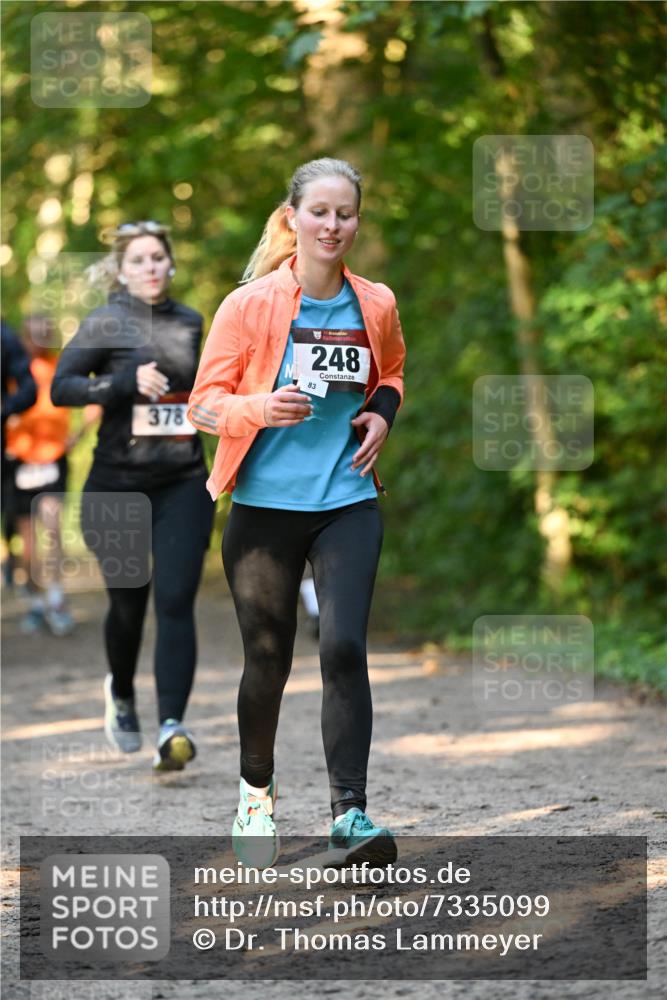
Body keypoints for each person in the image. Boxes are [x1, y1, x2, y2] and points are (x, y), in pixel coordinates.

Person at [188, 158, 406, 867]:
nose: (332, 225)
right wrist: (260, 408)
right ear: (292, 218)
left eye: (345, 214)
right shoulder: (247, 305)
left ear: (356, 223)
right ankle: (256, 794)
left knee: (343, 647)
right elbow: (202, 404)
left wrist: (380, 414)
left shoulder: (373, 303)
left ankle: (350, 814)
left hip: (346, 499)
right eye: (319, 212)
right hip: (263, 507)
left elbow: (391, 374)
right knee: (268, 660)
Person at [51, 220, 214, 771]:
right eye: (138, 260)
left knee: (174, 598)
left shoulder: (192, 322)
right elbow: (62, 386)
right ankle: (120, 691)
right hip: (116, 487)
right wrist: (122, 384)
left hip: (183, 481)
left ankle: (172, 726)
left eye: (157, 258)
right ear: (122, 271)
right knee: (130, 600)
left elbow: (206, 390)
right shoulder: (106, 321)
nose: (150, 267)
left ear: (171, 264)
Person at [4, 314, 82, 636]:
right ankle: (35, 601)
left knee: (52, 529)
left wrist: (76, 435)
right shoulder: (15, 366)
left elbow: (89, 401)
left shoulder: (61, 365)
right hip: (20, 458)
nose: (41, 337)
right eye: (35, 332)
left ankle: (56, 598)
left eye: (46, 331)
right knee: (29, 539)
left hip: (53, 458)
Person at [1, 319, 37, 588]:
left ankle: (10, 560)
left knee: (11, 509)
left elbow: (29, 389)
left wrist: (4, 408)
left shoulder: (6, 337)